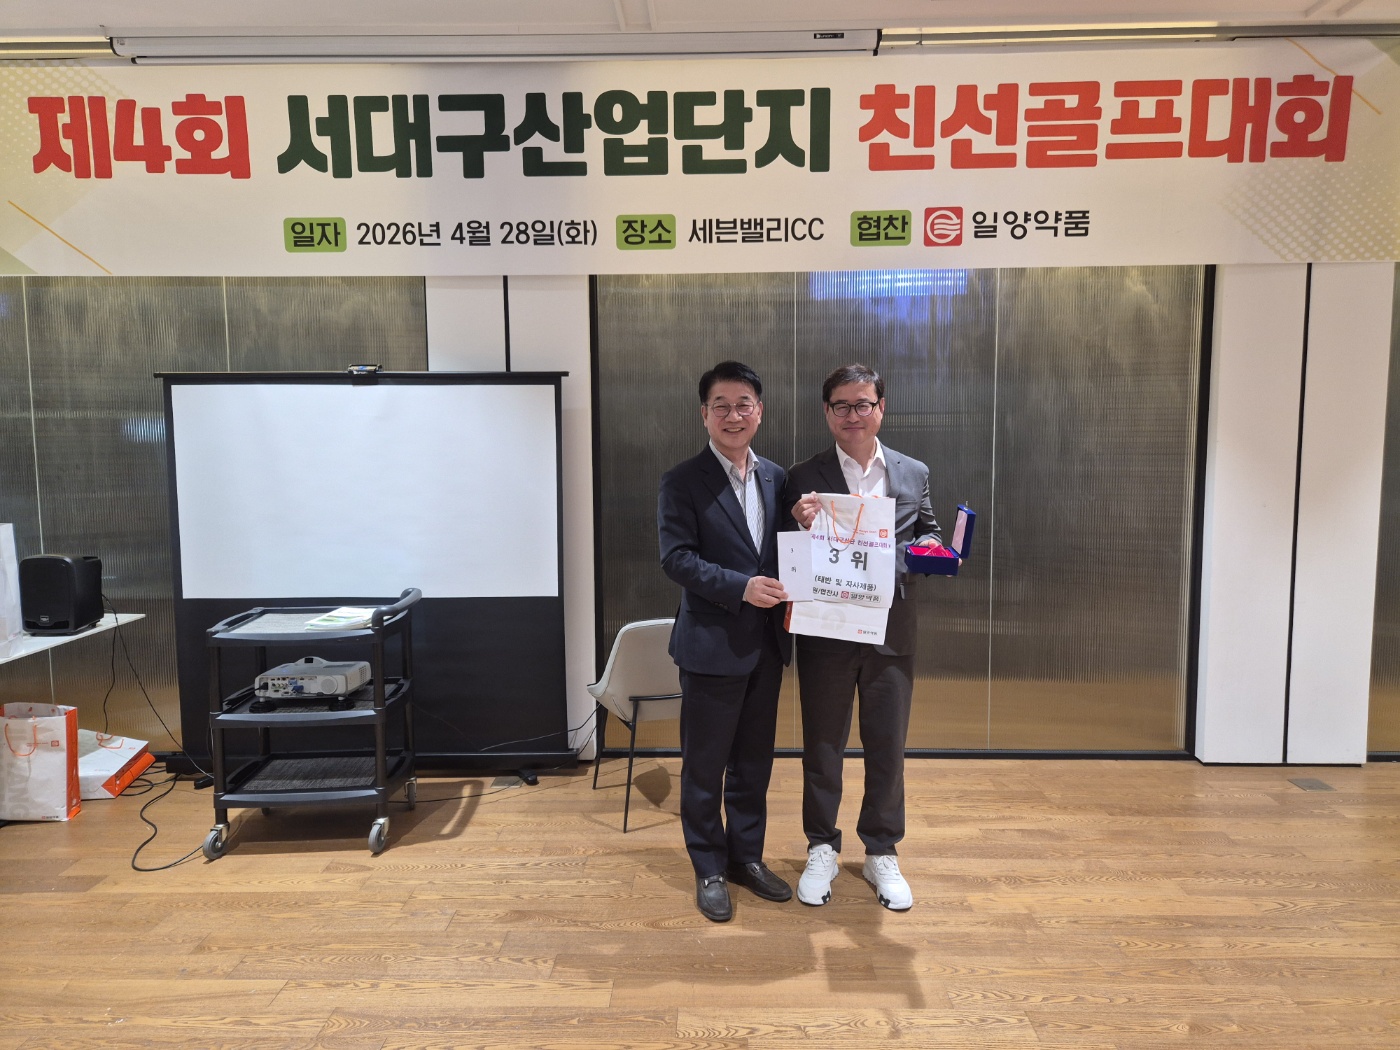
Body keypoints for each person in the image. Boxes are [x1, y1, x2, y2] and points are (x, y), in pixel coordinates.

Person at [785, 363, 940, 911]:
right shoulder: (802, 475)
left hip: (891, 633)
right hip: (826, 631)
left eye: (864, 404)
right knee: (823, 746)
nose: (854, 415)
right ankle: (821, 846)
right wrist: (799, 525)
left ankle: (881, 850)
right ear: (827, 412)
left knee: (887, 747)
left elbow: (928, 536)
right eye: (842, 406)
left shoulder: (912, 472)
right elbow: (785, 554)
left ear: (881, 408)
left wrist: (925, 552)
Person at [657, 360, 794, 922]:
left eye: (744, 405)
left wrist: (811, 523)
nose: (733, 416)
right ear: (704, 414)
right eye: (722, 406)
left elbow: (787, 550)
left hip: (767, 648)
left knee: (753, 764)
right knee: (704, 766)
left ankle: (746, 858)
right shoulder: (682, 480)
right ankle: (709, 867)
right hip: (711, 647)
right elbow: (676, 559)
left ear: (759, 412)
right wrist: (742, 587)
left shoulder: (778, 478)